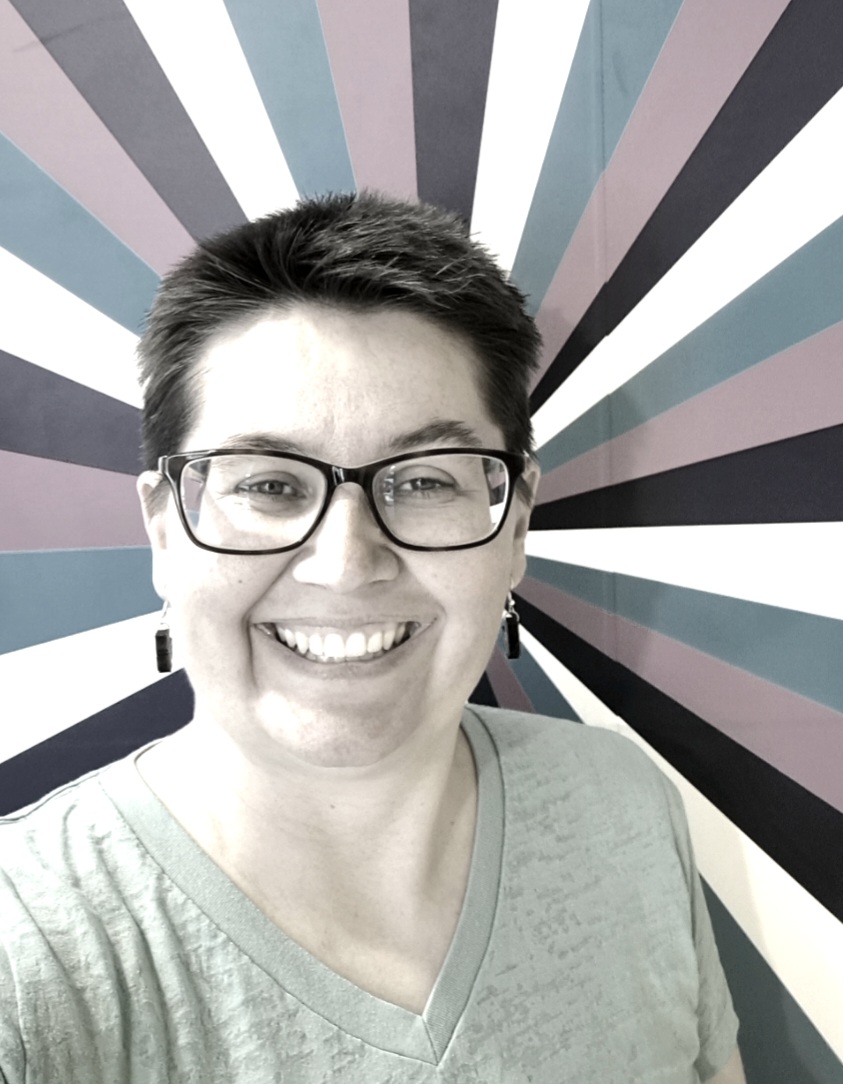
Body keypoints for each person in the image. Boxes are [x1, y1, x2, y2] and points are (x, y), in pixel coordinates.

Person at [0, 193, 745, 1083]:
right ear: (165, 530)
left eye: (424, 481)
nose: (346, 565)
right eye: (267, 484)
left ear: (514, 527)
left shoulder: (621, 805)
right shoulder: (25, 948)